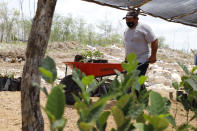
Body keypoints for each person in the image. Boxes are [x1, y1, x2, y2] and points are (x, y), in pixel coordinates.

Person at [123, 8, 158, 92]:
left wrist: (153, 56)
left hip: (142, 59)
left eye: (130, 19)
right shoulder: (126, 31)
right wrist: (126, 60)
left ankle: (143, 100)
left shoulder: (144, 27)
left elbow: (154, 41)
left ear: (137, 19)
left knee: (136, 81)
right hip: (131, 61)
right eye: (127, 20)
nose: (128, 22)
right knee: (130, 81)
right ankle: (134, 101)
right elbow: (128, 46)